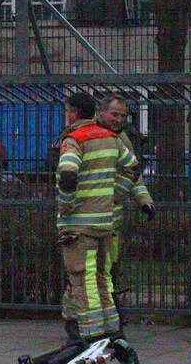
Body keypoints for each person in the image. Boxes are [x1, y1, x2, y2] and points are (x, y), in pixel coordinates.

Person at [56, 92, 140, 344]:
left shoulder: (74, 139)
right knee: (104, 279)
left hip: (78, 227)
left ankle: (92, 336)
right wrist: (117, 194)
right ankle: (113, 332)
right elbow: (133, 167)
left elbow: (68, 176)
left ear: (73, 112)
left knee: (83, 281)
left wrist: (67, 206)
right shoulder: (112, 139)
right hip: (105, 223)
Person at [97, 95, 155, 286]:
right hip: (87, 221)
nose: (119, 120)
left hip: (112, 220)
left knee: (109, 270)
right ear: (102, 112)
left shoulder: (122, 140)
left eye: (123, 116)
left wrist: (144, 200)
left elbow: (134, 174)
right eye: (115, 114)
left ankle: (108, 309)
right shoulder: (87, 135)